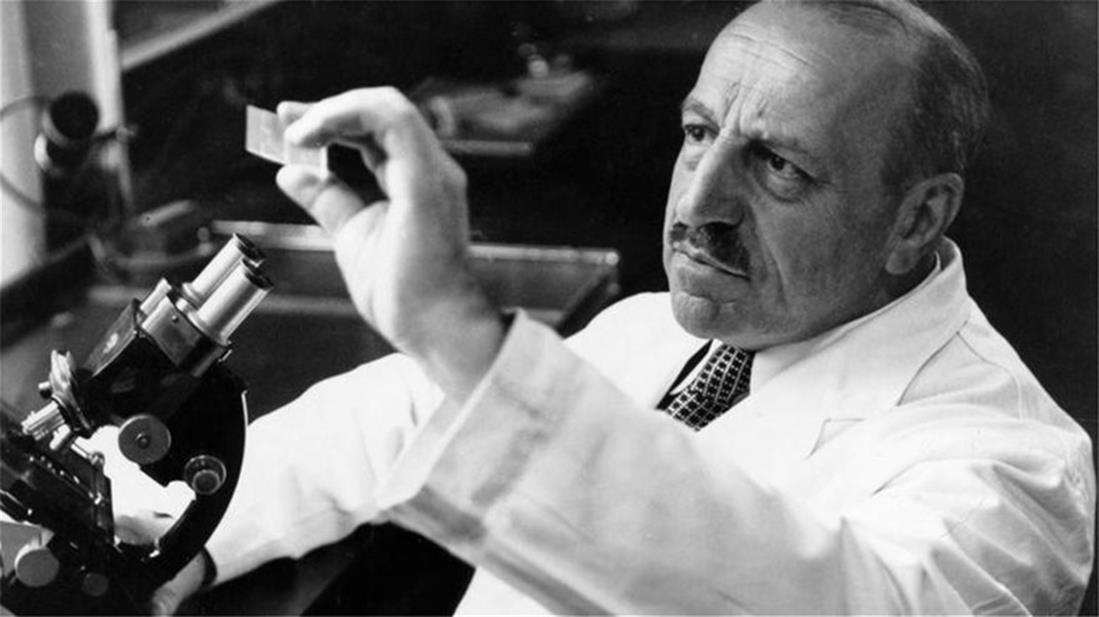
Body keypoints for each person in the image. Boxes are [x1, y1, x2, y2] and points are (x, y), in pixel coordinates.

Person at [151, 0, 1095, 613]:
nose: (698, 204)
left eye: (778, 164)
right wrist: (162, 538)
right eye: (698, 133)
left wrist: (455, 327)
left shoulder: (1009, 473)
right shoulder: (668, 330)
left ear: (915, 217)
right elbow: (405, 411)